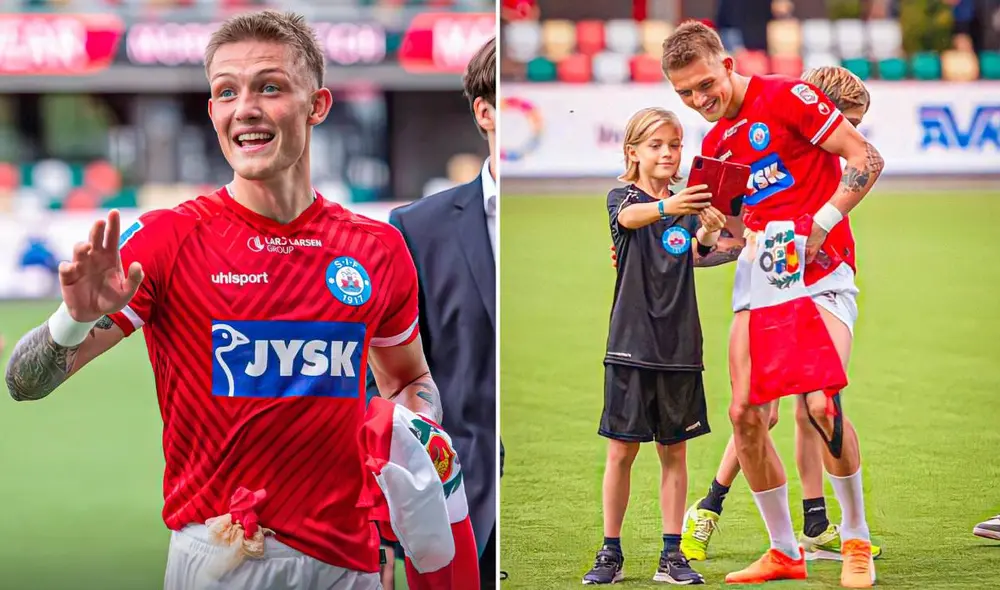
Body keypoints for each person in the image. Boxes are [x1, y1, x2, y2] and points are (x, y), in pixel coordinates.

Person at [4, 10, 455, 590]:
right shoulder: (168, 240)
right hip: (219, 558)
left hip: (352, 565)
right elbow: (24, 383)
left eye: (270, 86)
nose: (245, 107)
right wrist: (74, 318)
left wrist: (417, 442)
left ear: (317, 105)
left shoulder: (377, 249)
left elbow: (406, 382)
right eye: (225, 91)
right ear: (214, 110)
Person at [661, 22, 884, 587]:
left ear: (728, 63)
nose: (698, 100)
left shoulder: (788, 97)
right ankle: (785, 551)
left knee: (822, 405)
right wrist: (700, 242)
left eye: (705, 84)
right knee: (746, 417)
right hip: (760, 281)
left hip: (823, 274)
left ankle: (856, 540)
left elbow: (865, 158)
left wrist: (821, 224)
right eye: (684, 93)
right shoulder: (713, 147)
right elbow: (733, 236)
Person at [582, 106, 744, 586]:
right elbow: (630, 218)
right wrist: (672, 208)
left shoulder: (687, 207)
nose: (668, 153)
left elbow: (694, 253)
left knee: (675, 454)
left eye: (674, 145)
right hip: (630, 345)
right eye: (656, 145)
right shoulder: (623, 198)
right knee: (621, 453)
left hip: (679, 347)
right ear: (632, 151)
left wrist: (713, 230)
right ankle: (610, 552)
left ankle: (672, 555)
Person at [367, 36, 498, 589]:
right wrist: (381, 522)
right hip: (451, 511)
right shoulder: (416, 230)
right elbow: (385, 383)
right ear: (485, 112)